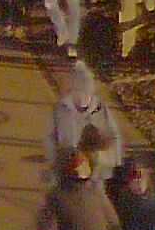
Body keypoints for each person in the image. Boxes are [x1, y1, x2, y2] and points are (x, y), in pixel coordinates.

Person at [48, 57, 127, 185]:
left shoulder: (100, 110)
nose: (81, 97)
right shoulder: (62, 110)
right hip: (67, 168)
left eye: (85, 93)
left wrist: (113, 163)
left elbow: (114, 137)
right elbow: (51, 138)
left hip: (95, 172)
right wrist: (53, 162)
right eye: (77, 92)